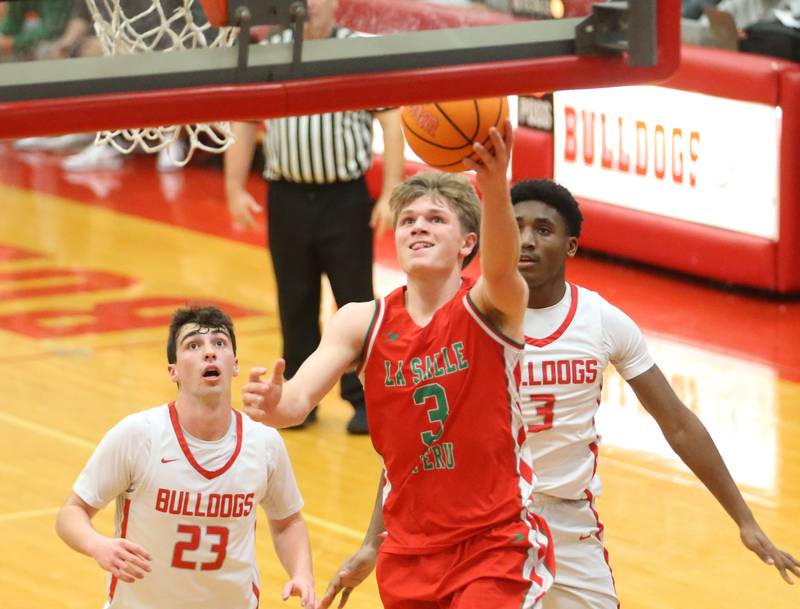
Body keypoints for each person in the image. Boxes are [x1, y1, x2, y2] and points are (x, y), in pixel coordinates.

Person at [319, 179, 800, 609]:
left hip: (567, 519)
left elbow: (675, 422)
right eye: (517, 227)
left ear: (571, 245)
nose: (526, 240)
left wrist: (745, 519)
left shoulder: (601, 321)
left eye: (543, 230)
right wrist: (373, 541)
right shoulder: (460, 322)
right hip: (483, 527)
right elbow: (413, 454)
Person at [243, 124, 555, 608]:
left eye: (436, 218)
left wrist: (494, 187)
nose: (419, 226)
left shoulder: (492, 305)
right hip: (407, 549)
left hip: (493, 541)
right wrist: (271, 403)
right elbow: (297, 404)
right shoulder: (360, 321)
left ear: (467, 243)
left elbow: (501, 266)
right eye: (408, 219)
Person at [55, 305, 315, 609]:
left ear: (234, 365)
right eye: (193, 345)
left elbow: (287, 522)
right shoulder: (140, 435)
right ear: (173, 371)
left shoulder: (264, 443)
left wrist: (302, 573)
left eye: (220, 343)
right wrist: (97, 545)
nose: (209, 352)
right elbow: (71, 513)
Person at [225, 0, 405, 435]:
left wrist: (392, 192)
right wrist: (233, 187)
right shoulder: (272, 51)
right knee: (295, 299)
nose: (310, 7)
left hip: (344, 199)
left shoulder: (354, 52)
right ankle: (296, 399)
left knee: (356, 301)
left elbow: (392, 121)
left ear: (335, 3)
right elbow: (246, 121)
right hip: (286, 196)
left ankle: (365, 399)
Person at [0, 0, 72, 62]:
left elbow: (51, 30)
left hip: (65, 35)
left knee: (45, 50)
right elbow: (13, 22)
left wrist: (13, 42)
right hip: (39, 34)